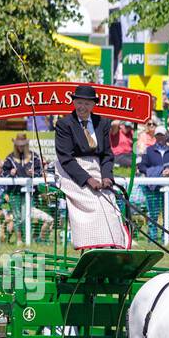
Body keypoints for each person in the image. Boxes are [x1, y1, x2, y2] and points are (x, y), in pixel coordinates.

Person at [54, 84, 129, 249]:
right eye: (79, 102)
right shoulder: (64, 124)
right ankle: (92, 246)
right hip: (72, 172)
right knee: (94, 204)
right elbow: (65, 158)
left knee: (110, 203)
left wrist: (107, 176)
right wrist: (88, 179)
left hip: (97, 168)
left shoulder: (102, 123)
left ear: (93, 104)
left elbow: (107, 154)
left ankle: (115, 246)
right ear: (73, 103)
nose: (83, 107)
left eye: (87, 103)